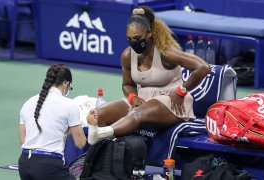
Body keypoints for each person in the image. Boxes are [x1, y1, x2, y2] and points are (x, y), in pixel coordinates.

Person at [86, 6, 210, 145]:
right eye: (130, 39)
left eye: (138, 38)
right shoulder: (127, 55)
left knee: (136, 114)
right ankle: (106, 161)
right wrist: (133, 97)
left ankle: (100, 134)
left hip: (171, 102)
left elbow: (203, 67)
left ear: (149, 33)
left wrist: (181, 91)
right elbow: (127, 84)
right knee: (99, 114)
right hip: (143, 100)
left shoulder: (166, 52)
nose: (134, 42)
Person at [18, 64, 86, 180]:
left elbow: (23, 140)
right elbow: (80, 143)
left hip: (25, 163)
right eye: (70, 87)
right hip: (49, 167)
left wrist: (64, 132)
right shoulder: (69, 105)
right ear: (66, 83)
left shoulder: (28, 103)